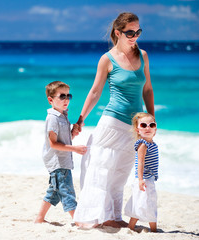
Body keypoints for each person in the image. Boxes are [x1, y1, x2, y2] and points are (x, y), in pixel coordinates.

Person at [73, 12, 155, 228]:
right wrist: (81, 119)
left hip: (134, 125)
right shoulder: (107, 59)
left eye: (138, 31)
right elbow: (94, 92)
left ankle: (113, 217)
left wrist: (151, 118)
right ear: (118, 32)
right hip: (112, 123)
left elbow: (147, 89)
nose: (135, 36)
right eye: (130, 32)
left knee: (121, 172)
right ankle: (94, 216)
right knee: (101, 169)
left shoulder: (143, 55)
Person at [35, 81, 87, 223]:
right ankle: (77, 220)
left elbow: (63, 139)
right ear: (51, 100)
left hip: (62, 160)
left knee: (54, 191)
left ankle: (40, 218)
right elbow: (53, 143)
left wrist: (72, 134)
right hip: (57, 161)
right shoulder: (53, 118)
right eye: (62, 96)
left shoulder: (62, 115)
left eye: (68, 96)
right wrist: (75, 149)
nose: (66, 99)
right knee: (67, 191)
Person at [124, 112, 159, 232]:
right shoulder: (143, 144)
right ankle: (151, 229)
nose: (148, 128)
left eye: (151, 125)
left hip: (149, 178)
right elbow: (140, 163)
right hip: (143, 179)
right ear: (138, 130)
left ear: (155, 129)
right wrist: (140, 179)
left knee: (146, 202)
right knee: (145, 203)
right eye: (143, 125)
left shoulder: (153, 144)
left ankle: (134, 227)